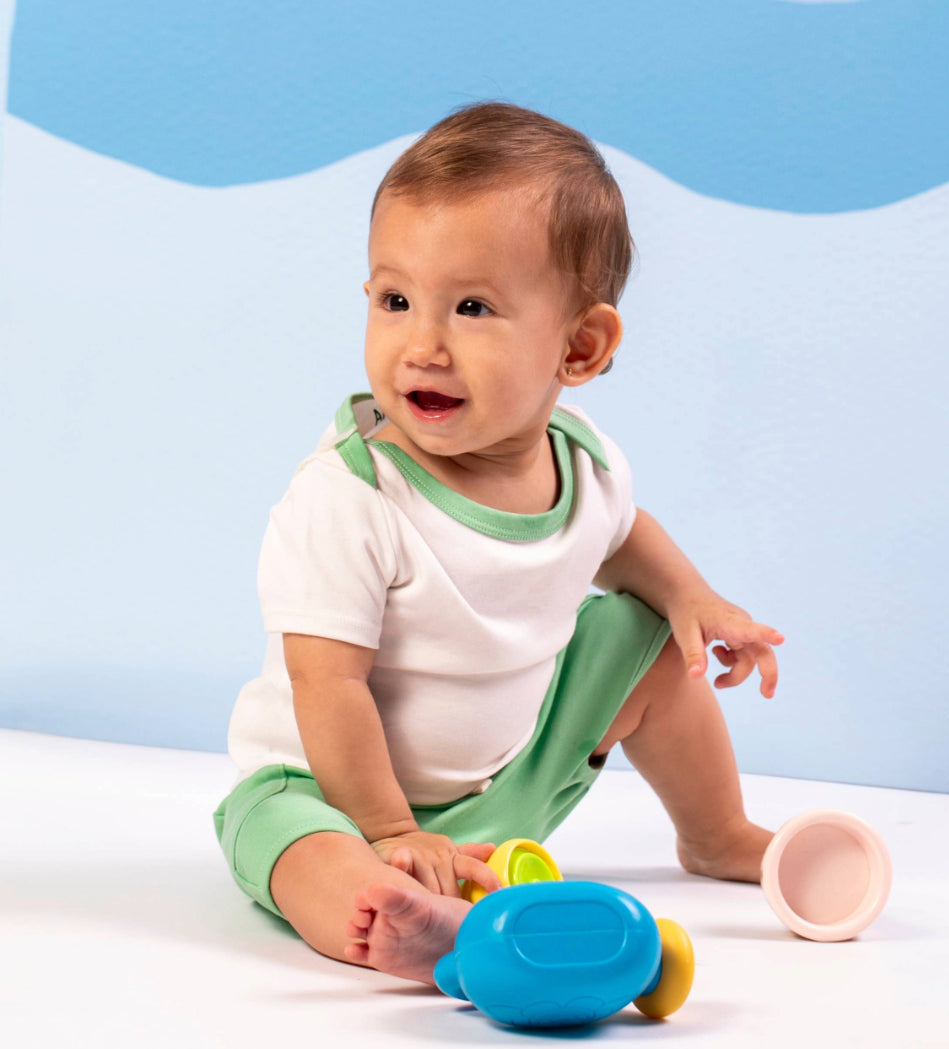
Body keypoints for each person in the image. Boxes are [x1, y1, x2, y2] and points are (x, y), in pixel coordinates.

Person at [213, 101, 784, 987]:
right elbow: (327, 685)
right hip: (329, 793)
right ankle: (391, 919)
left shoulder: (584, 462)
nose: (422, 345)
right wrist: (391, 833)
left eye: (472, 308)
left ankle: (716, 835)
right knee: (303, 852)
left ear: (579, 347)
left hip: (505, 787)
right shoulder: (351, 497)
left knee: (646, 634)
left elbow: (621, 536)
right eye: (395, 300)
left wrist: (694, 600)